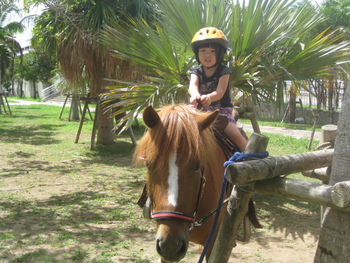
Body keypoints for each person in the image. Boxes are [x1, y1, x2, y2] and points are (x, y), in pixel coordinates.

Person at [189, 27, 247, 152]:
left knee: (235, 134)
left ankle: (249, 155)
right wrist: (195, 95)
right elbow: (193, 85)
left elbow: (220, 91)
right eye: (203, 50)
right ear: (197, 53)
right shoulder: (196, 70)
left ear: (220, 53)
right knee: (176, 122)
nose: (207, 54)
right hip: (199, 109)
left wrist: (209, 97)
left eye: (212, 51)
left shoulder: (224, 71)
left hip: (221, 110)